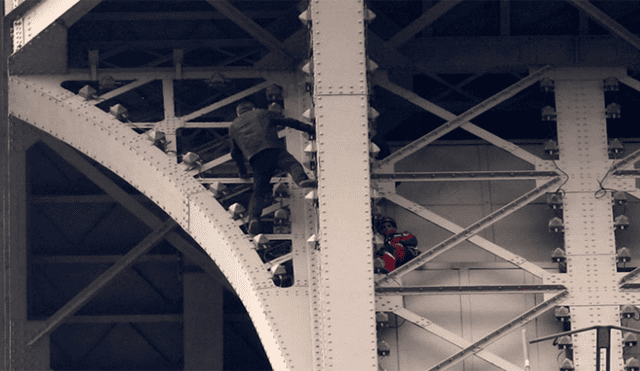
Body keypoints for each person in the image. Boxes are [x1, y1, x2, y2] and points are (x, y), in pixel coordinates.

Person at [229, 100, 317, 235]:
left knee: (259, 191)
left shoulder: (233, 127)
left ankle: (254, 218)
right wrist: (309, 128)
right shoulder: (262, 113)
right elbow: (288, 121)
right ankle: (301, 180)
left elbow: (235, 153)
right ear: (252, 108)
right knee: (292, 164)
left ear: (238, 113)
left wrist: (243, 172)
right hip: (273, 149)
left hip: (256, 159)